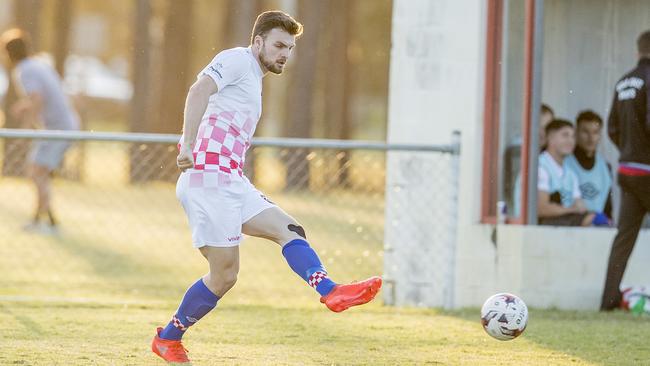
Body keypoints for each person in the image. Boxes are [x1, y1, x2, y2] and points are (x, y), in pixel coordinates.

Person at [151, 11, 382, 364]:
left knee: (289, 229)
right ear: (257, 41)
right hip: (207, 179)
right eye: (277, 45)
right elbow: (199, 90)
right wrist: (187, 145)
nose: (284, 53)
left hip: (231, 180)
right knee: (225, 275)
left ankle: (330, 290)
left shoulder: (254, 77)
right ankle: (168, 338)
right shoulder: (237, 60)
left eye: (289, 48)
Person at [1, 29, 79, 233]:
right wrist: (24, 106)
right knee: (38, 173)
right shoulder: (38, 64)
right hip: (61, 126)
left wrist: (26, 127)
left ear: (9, 54)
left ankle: (45, 223)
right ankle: (47, 221)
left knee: (37, 173)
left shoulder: (24, 70)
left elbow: (38, 97)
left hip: (59, 129)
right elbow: (40, 96)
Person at [600, 30, 650, 311]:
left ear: (637, 51)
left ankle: (607, 301)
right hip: (647, 170)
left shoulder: (623, 81)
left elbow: (613, 128)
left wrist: (629, 152)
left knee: (623, 239)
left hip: (628, 170)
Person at [536, 119, 595, 226]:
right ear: (550, 138)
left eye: (573, 136)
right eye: (565, 135)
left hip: (563, 223)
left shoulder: (571, 173)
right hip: (539, 225)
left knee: (599, 220)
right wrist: (572, 210)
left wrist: (578, 209)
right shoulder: (540, 166)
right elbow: (541, 209)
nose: (570, 141)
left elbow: (580, 206)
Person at [564, 110, 613, 226]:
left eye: (595, 132)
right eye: (585, 132)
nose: (591, 138)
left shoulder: (605, 167)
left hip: (597, 229)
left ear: (600, 135)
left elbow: (608, 207)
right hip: (571, 226)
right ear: (576, 132)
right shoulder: (564, 162)